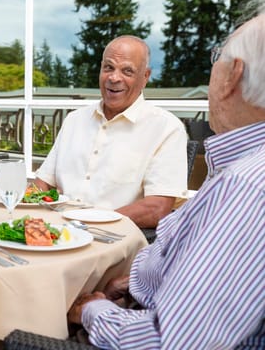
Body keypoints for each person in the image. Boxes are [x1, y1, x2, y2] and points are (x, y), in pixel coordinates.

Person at [67, 0, 265, 349]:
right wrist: (134, 283)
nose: (114, 78)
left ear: (232, 75)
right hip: (137, 292)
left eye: (214, 59)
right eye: (108, 67)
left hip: (128, 324)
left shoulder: (246, 186)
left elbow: (168, 342)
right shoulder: (241, 171)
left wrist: (93, 311)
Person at [34, 35, 187, 228]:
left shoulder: (167, 128)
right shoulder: (74, 119)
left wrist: (89, 223)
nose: (114, 78)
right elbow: (43, 184)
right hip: (56, 230)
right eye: (109, 67)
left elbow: (156, 209)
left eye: (127, 71)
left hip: (113, 239)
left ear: (145, 77)